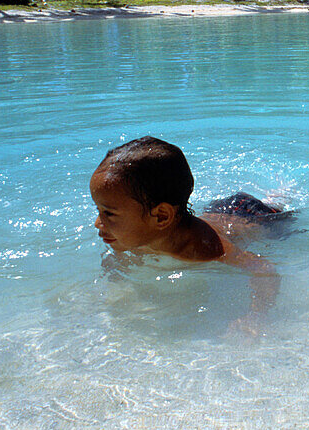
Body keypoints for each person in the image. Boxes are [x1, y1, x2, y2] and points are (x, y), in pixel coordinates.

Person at [89, 136, 286, 333]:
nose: (98, 223)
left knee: (279, 209)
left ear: (161, 217)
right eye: (98, 210)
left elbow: (264, 270)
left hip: (253, 216)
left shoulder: (204, 248)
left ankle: (281, 196)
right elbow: (114, 263)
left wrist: (256, 316)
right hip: (214, 210)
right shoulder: (128, 236)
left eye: (108, 213)